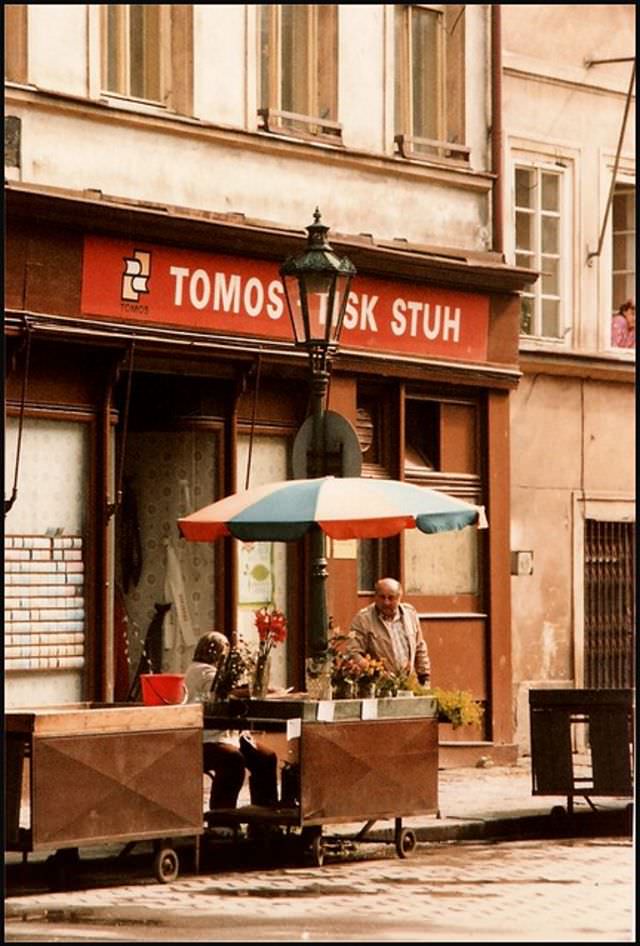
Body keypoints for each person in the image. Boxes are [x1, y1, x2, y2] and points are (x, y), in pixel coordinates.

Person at [185, 631, 279, 811]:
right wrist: (255, 689)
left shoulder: (211, 672)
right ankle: (222, 818)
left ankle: (263, 815)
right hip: (206, 738)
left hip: (228, 734)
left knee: (266, 758)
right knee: (233, 760)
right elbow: (222, 690)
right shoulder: (201, 670)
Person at [349, 578, 431, 685]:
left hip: (408, 683)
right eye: (382, 597)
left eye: (391, 598)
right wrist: (374, 671)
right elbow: (353, 652)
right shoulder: (363, 619)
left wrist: (424, 676)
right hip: (378, 685)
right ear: (375, 597)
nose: (386, 602)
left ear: (399, 598)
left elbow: (420, 647)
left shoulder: (410, 614)